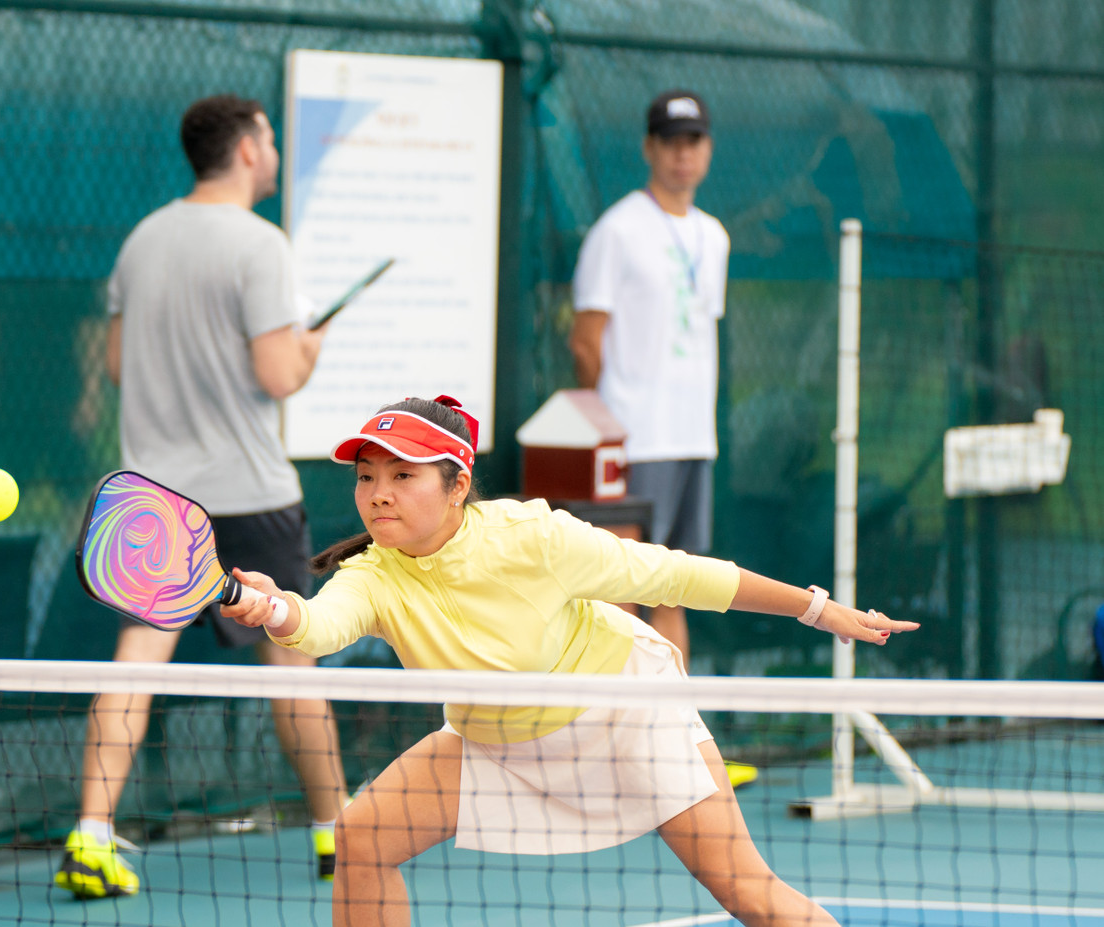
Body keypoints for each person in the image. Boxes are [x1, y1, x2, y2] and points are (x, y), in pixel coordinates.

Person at [221, 395, 919, 927]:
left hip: (622, 712)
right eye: (367, 475)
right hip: (495, 739)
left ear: (457, 484)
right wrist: (272, 606)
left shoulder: (534, 537)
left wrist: (817, 608)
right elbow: (315, 625)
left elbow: (676, 575)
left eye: (403, 475)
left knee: (744, 889)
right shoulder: (377, 573)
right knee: (361, 835)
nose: (378, 492)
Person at [54, 94, 349, 899]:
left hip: (155, 501)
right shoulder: (261, 244)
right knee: (294, 665)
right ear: (250, 149)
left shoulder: (142, 240)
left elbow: (117, 364)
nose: (277, 149)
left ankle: (90, 835)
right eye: (272, 138)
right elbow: (278, 374)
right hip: (251, 495)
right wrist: (311, 349)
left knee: (135, 666)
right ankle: (337, 836)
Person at [569, 88, 729, 672]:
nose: (682, 155)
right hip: (635, 443)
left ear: (707, 150)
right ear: (649, 148)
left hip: (692, 441)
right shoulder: (617, 230)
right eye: (670, 142)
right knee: (621, 594)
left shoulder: (715, 237)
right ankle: (612, 742)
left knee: (676, 590)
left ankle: (676, 742)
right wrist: (610, 426)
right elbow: (585, 340)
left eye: (693, 142)